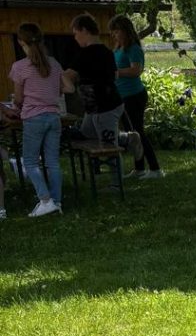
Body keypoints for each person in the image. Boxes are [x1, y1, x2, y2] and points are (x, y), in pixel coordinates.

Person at [6, 21, 73, 217]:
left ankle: (45, 200)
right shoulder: (54, 63)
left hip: (33, 118)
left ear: (21, 42)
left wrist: (16, 107)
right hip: (54, 117)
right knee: (52, 162)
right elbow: (68, 88)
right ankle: (56, 201)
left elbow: (18, 99)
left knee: (30, 161)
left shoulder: (20, 67)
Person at [64, 13, 142, 163]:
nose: (75, 38)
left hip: (105, 106)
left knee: (108, 146)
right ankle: (128, 137)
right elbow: (114, 75)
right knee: (87, 134)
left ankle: (115, 184)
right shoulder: (107, 51)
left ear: (84, 30)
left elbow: (68, 76)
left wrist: (64, 84)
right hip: (97, 106)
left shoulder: (86, 54)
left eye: (76, 33)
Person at [109, 14, 162, 178]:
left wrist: (116, 73)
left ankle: (155, 169)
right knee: (133, 135)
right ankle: (139, 168)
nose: (114, 35)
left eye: (116, 31)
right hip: (123, 96)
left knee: (138, 132)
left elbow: (136, 70)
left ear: (125, 31)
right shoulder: (118, 48)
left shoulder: (134, 49)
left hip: (134, 96)